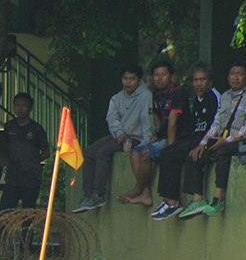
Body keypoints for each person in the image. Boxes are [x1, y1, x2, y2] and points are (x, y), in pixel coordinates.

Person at [178, 60, 246, 219]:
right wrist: (202, 143)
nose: (235, 78)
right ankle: (198, 199)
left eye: (240, 74)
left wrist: (226, 141)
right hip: (224, 139)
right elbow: (216, 123)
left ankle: (218, 198)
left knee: (223, 151)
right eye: (232, 74)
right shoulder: (224, 97)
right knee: (195, 154)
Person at [72, 65, 154, 212]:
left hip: (136, 138)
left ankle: (98, 194)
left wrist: (145, 143)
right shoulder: (116, 98)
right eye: (125, 79)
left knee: (103, 152)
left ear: (139, 80)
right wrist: (118, 132)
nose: (128, 82)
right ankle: (88, 195)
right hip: (119, 135)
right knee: (88, 152)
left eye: (132, 79)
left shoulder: (146, 96)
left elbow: (147, 120)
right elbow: (112, 118)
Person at [150, 62, 219, 220]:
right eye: (195, 80)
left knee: (172, 154)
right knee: (166, 151)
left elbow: (218, 124)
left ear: (210, 81)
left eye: (202, 80)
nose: (198, 83)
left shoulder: (215, 97)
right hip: (195, 137)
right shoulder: (197, 99)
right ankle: (167, 201)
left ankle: (173, 202)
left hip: (208, 140)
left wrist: (204, 143)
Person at [121, 60, 183, 206]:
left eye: (163, 75)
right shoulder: (155, 93)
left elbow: (173, 122)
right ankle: (145, 194)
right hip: (162, 136)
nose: (159, 78)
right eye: (156, 75)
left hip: (179, 137)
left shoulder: (178, 92)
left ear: (171, 76)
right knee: (135, 152)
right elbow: (155, 115)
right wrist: (157, 133)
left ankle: (137, 189)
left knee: (146, 152)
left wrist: (170, 147)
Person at [0, 92, 49, 210]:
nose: (20, 109)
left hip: (31, 179)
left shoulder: (36, 129)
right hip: (12, 177)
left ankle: (27, 230)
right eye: (17, 105)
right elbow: (2, 147)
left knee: (28, 214)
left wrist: (33, 161)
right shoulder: (9, 127)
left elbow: (46, 153)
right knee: (3, 213)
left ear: (30, 109)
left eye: (24, 106)